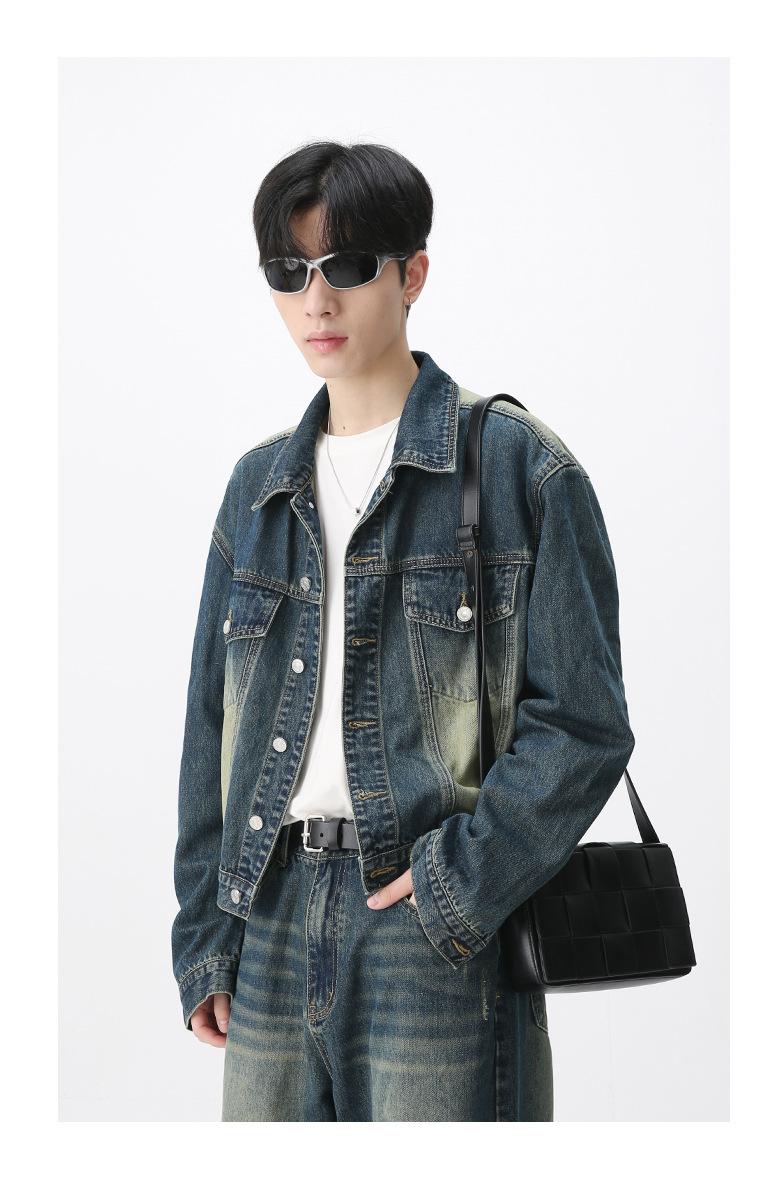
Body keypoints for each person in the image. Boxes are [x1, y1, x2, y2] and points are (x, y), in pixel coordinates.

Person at [171, 140, 635, 1121]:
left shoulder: (517, 468)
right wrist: (208, 934)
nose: (316, 301)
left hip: (430, 932)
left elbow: (582, 723)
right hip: (268, 917)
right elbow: (211, 733)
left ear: (411, 273)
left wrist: (459, 883)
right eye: (288, 272)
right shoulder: (256, 491)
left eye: (344, 265)